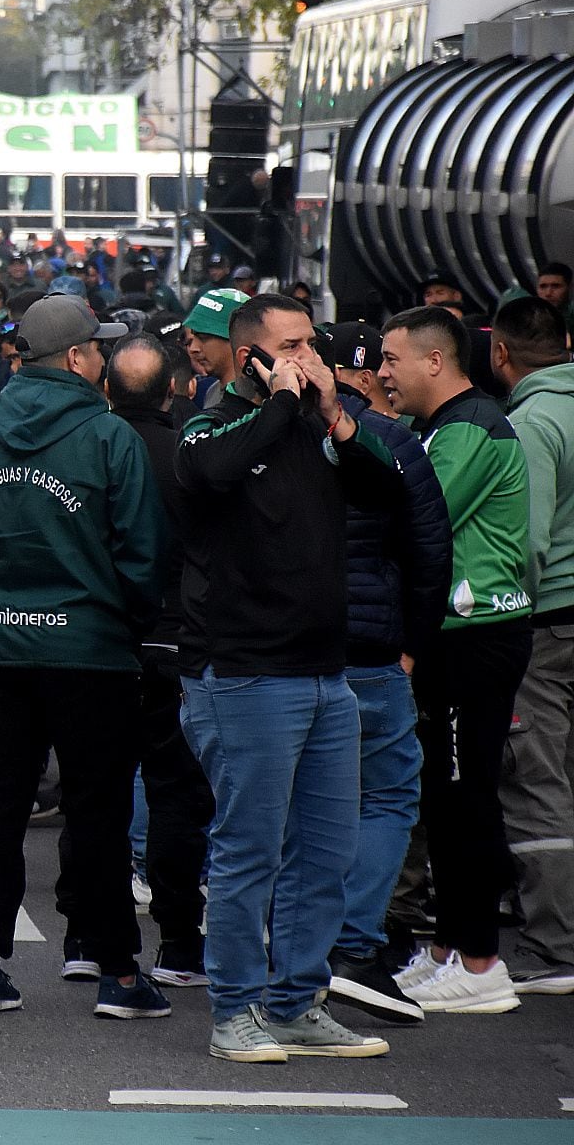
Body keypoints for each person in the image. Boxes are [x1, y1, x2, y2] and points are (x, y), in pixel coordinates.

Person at [175, 293, 399, 1062]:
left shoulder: (315, 422)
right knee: (249, 852)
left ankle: (298, 1002)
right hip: (245, 675)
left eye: (314, 344)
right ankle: (234, 1008)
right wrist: (279, 400)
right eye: (297, 345)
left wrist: (339, 416)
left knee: (326, 851)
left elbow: (387, 494)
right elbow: (214, 472)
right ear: (252, 357)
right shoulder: (212, 422)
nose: (314, 357)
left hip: (325, 673)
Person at [0, 296, 167, 1022]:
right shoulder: (109, 436)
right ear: (74, 358)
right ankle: (119, 974)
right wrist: (122, 624)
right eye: (95, 348)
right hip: (91, 654)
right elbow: (143, 556)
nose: (102, 357)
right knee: (96, 813)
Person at [379, 306, 534, 1014]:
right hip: (458, 634)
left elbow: (418, 513)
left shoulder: (468, 426)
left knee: (464, 797)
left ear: (435, 361)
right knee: (446, 798)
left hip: (475, 635)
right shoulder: (445, 424)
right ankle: (448, 949)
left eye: (391, 359)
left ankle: (479, 965)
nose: (383, 374)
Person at [315, 322, 452, 1025]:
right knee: (390, 793)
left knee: (296, 803)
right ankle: (355, 945)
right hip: (370, 652)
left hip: (288, 650)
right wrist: (412, 646)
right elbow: (432, 553)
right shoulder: (393, 441)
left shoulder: (268, 438)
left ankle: (297, 953)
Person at [98, 335, 214, 990]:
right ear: (173, 389)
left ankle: (88, 938)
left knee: (100, 793)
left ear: (108, 390)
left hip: (100, 640)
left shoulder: (91, 450)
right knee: (175, 796)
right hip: (178, 640)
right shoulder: (189, 456)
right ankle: (177, 942)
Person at [488, 295, 574, 994]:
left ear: (500, 353)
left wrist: (509, 612)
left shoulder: (532, 423)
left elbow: (528, 541)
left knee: (536, 777)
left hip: (546, 624)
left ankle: (555, 944)